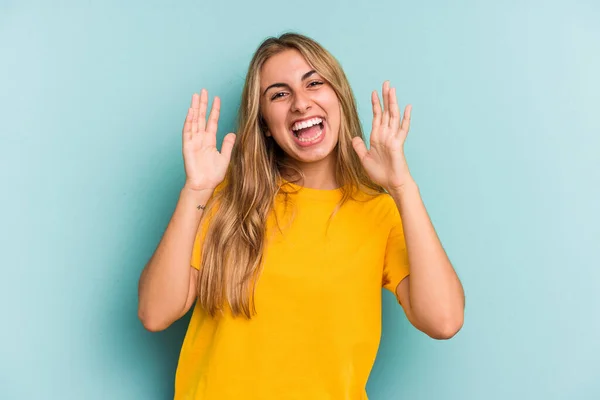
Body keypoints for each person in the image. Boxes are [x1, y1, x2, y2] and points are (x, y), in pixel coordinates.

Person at [137, 32, 465, 399]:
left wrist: (403, 188)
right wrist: (195, 189)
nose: (301, 103)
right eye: (279, 94)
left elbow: (444, 320)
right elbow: (155, 313)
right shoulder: (225, 199)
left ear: (338, 97)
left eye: (314, 83)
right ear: (263, 122)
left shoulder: (379, 212)